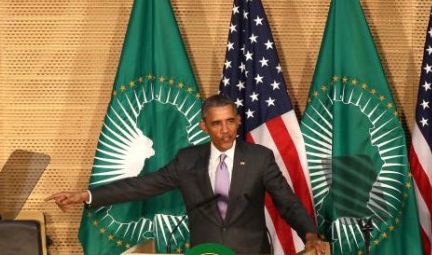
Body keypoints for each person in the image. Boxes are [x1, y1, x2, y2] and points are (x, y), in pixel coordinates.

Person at [46, 94, 325, 254]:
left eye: (230, 121)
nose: (226, 130)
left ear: (238, 121)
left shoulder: (259, 158)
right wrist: (87, 194)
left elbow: (287, 202)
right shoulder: (187, 160)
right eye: (217, 124)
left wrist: (309, 233)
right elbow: (142, 186)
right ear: (205, 126)